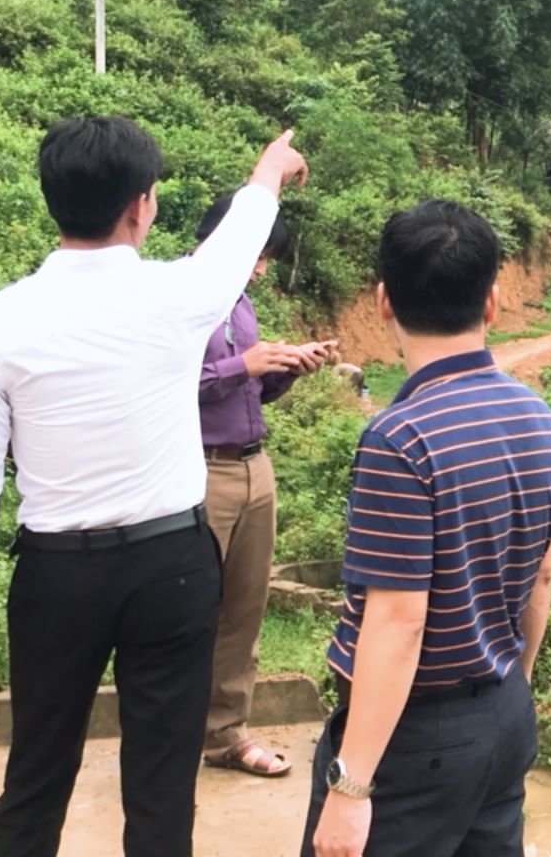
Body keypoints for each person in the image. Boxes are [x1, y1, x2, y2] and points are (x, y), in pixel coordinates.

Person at [0, 118, 308, 857]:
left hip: (57, 575)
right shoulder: (178, 294)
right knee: (162, 786)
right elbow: (240, 235)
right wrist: (269, 166)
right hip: (171, 565)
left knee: (35, 774)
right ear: (143, 204)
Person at [304, 199, 551, 857]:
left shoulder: (400, 439)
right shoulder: (541, 419)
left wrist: (351, 786)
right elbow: (541, 576)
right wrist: (513, 691)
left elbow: (399, 621)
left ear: (384, 302)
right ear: (493, 304)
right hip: (503, 710)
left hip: (416, 743)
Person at [192, 191, 337, 778]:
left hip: (255, 466)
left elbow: (248, 389)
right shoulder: (176, 298)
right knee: (187, 611)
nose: (260, 267)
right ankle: (169, 734)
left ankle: (226, 733)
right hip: (199, 470)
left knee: (244, 609)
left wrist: (285, 369)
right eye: (256, 253)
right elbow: (161, 384)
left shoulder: (242, 305)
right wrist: (240, 366)